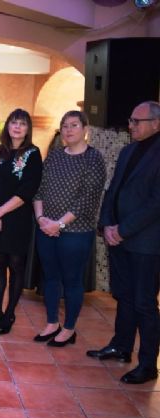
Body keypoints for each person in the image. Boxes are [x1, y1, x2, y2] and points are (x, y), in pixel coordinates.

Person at [87, 101, 160, 384]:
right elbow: (114, 188)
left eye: (136, 121)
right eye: (130, 121)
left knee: (144, 303)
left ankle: (148, 363)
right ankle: (121, 346)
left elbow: (156, 204)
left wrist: (124, 229)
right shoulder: (129, 149)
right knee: (124, 297)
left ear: (155, 123)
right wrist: (106, 224)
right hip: (119, 238)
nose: (130, 126)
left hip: (146, 243)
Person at [33, 110, 106, 347]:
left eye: (74, 125)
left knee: (72, 281)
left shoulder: (94, 159)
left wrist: (59, 223)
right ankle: (52, 323)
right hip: (46, 229)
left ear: (86, 129)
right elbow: (39, 189)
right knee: (50, 278)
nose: (68, 130)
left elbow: (87, 199)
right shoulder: (54, 156)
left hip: (75, 233)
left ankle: (69, 328)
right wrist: (41, 218)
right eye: (64, 126)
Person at [0, 109, 43, 334]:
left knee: (15, 266)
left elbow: (28, 190)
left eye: (22, 124)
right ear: (7, 126)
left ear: (28, 129)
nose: (17, 127)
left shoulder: (33, 154)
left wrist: (0, 213)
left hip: (17, 220)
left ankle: (10, 313)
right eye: (14, 123)